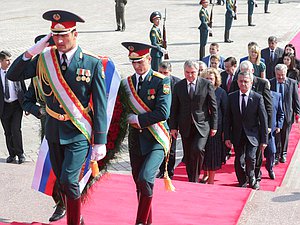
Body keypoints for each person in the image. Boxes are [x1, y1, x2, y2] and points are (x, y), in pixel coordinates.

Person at [7, 10, 108, 225]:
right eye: (55, 36)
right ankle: (76, 216)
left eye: (64, 35)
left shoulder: (91, 62)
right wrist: (35, 49)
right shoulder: (45, 59)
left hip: (78, 131)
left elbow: (100, 104)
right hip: (53, 131)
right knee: (63, 183)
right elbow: (13, 74)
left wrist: (100, 141)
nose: (60, 41)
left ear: (75, 34)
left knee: (69, 180)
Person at [121, 42, 171, 225]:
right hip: (136, 140)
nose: (137, 66)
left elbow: (163, 112)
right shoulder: (126, 84)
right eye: (133, 62)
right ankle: (147, 221)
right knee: (139, 184)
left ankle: (140, 221)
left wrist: (138, 120)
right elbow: (120, 109)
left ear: (149, 59)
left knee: (146, 177)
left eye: (140, 61)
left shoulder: (161, 81)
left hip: (156, 139)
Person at [170, 60, 218, 183]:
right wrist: (173, 127)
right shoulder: (179, 86)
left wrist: (214, 126)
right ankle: (192, 178)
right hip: (185, 125)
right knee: (188, 154)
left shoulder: (206, 84)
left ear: (198, 72)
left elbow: (213, 107)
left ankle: (195, 178)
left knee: (198, 149)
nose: (190, 75)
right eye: (187, 72)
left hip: (202, 124)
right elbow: (174, 108)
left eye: (193, 72)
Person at [231, 60, 273, 189]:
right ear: (237, 82)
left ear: (251, 82)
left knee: (251, 157)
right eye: (241, 81)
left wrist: (265, 137)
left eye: (246, 81)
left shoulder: (257, 97)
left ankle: (253, 178)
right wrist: (227, 136)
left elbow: (264, 117)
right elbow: (228, 117)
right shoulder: (232, 96)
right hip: (238, 133)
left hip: (253, 133)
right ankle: (242, 181)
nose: (243, 84)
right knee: (239, 160)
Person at [201, 68, 227, 184]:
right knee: (202, 152)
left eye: (211, 79)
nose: (209, 81)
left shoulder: (221, 92)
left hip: (215, 128)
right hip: (202, 126)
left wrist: (224, 131)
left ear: (216, 79)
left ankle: (211, 180)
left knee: (212, 154)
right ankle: (204, 174)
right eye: (206, 78)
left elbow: (225, 112)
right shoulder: (200, 90)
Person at [269, 64, 300, 164]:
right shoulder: (271, 83)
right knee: (276, 134)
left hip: (287, 113)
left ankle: (283, 153)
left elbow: (296, 99)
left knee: (285, 135)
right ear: (275, 73)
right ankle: (277, 155)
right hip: (275, 114)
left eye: (282, 75)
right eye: (278, 75)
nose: (281, 77)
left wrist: (297, 113)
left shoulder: (292, 83)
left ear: (286, 73)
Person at [0, 50, 26, 164]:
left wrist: (26, 104)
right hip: (4, 107)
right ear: (1, 61)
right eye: (7, 60)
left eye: (10, 59)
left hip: (16, 105)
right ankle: (11, 154)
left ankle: (20, 154)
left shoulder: (15, 72)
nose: (9, 62)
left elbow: (23, 87)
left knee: (16, 129)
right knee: (7, 132)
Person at [156, 61, 181, 179]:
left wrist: (176, 124)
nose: (163, 75)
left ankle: (169, 172)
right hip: (158, 120)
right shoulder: (154, 80)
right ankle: (161, 170)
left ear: (170, 72)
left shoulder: (177, 83)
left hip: (172, 120)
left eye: (165, 73)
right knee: (159, 146)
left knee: (171, 148)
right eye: (160, 72)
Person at [264, 90, 284, 179]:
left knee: (272, 151)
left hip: (270, 131)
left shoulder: (277, 96)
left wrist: (278, 125)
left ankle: (270, 167)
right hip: (258, 130)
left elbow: (281, 113)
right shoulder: (257, 96)